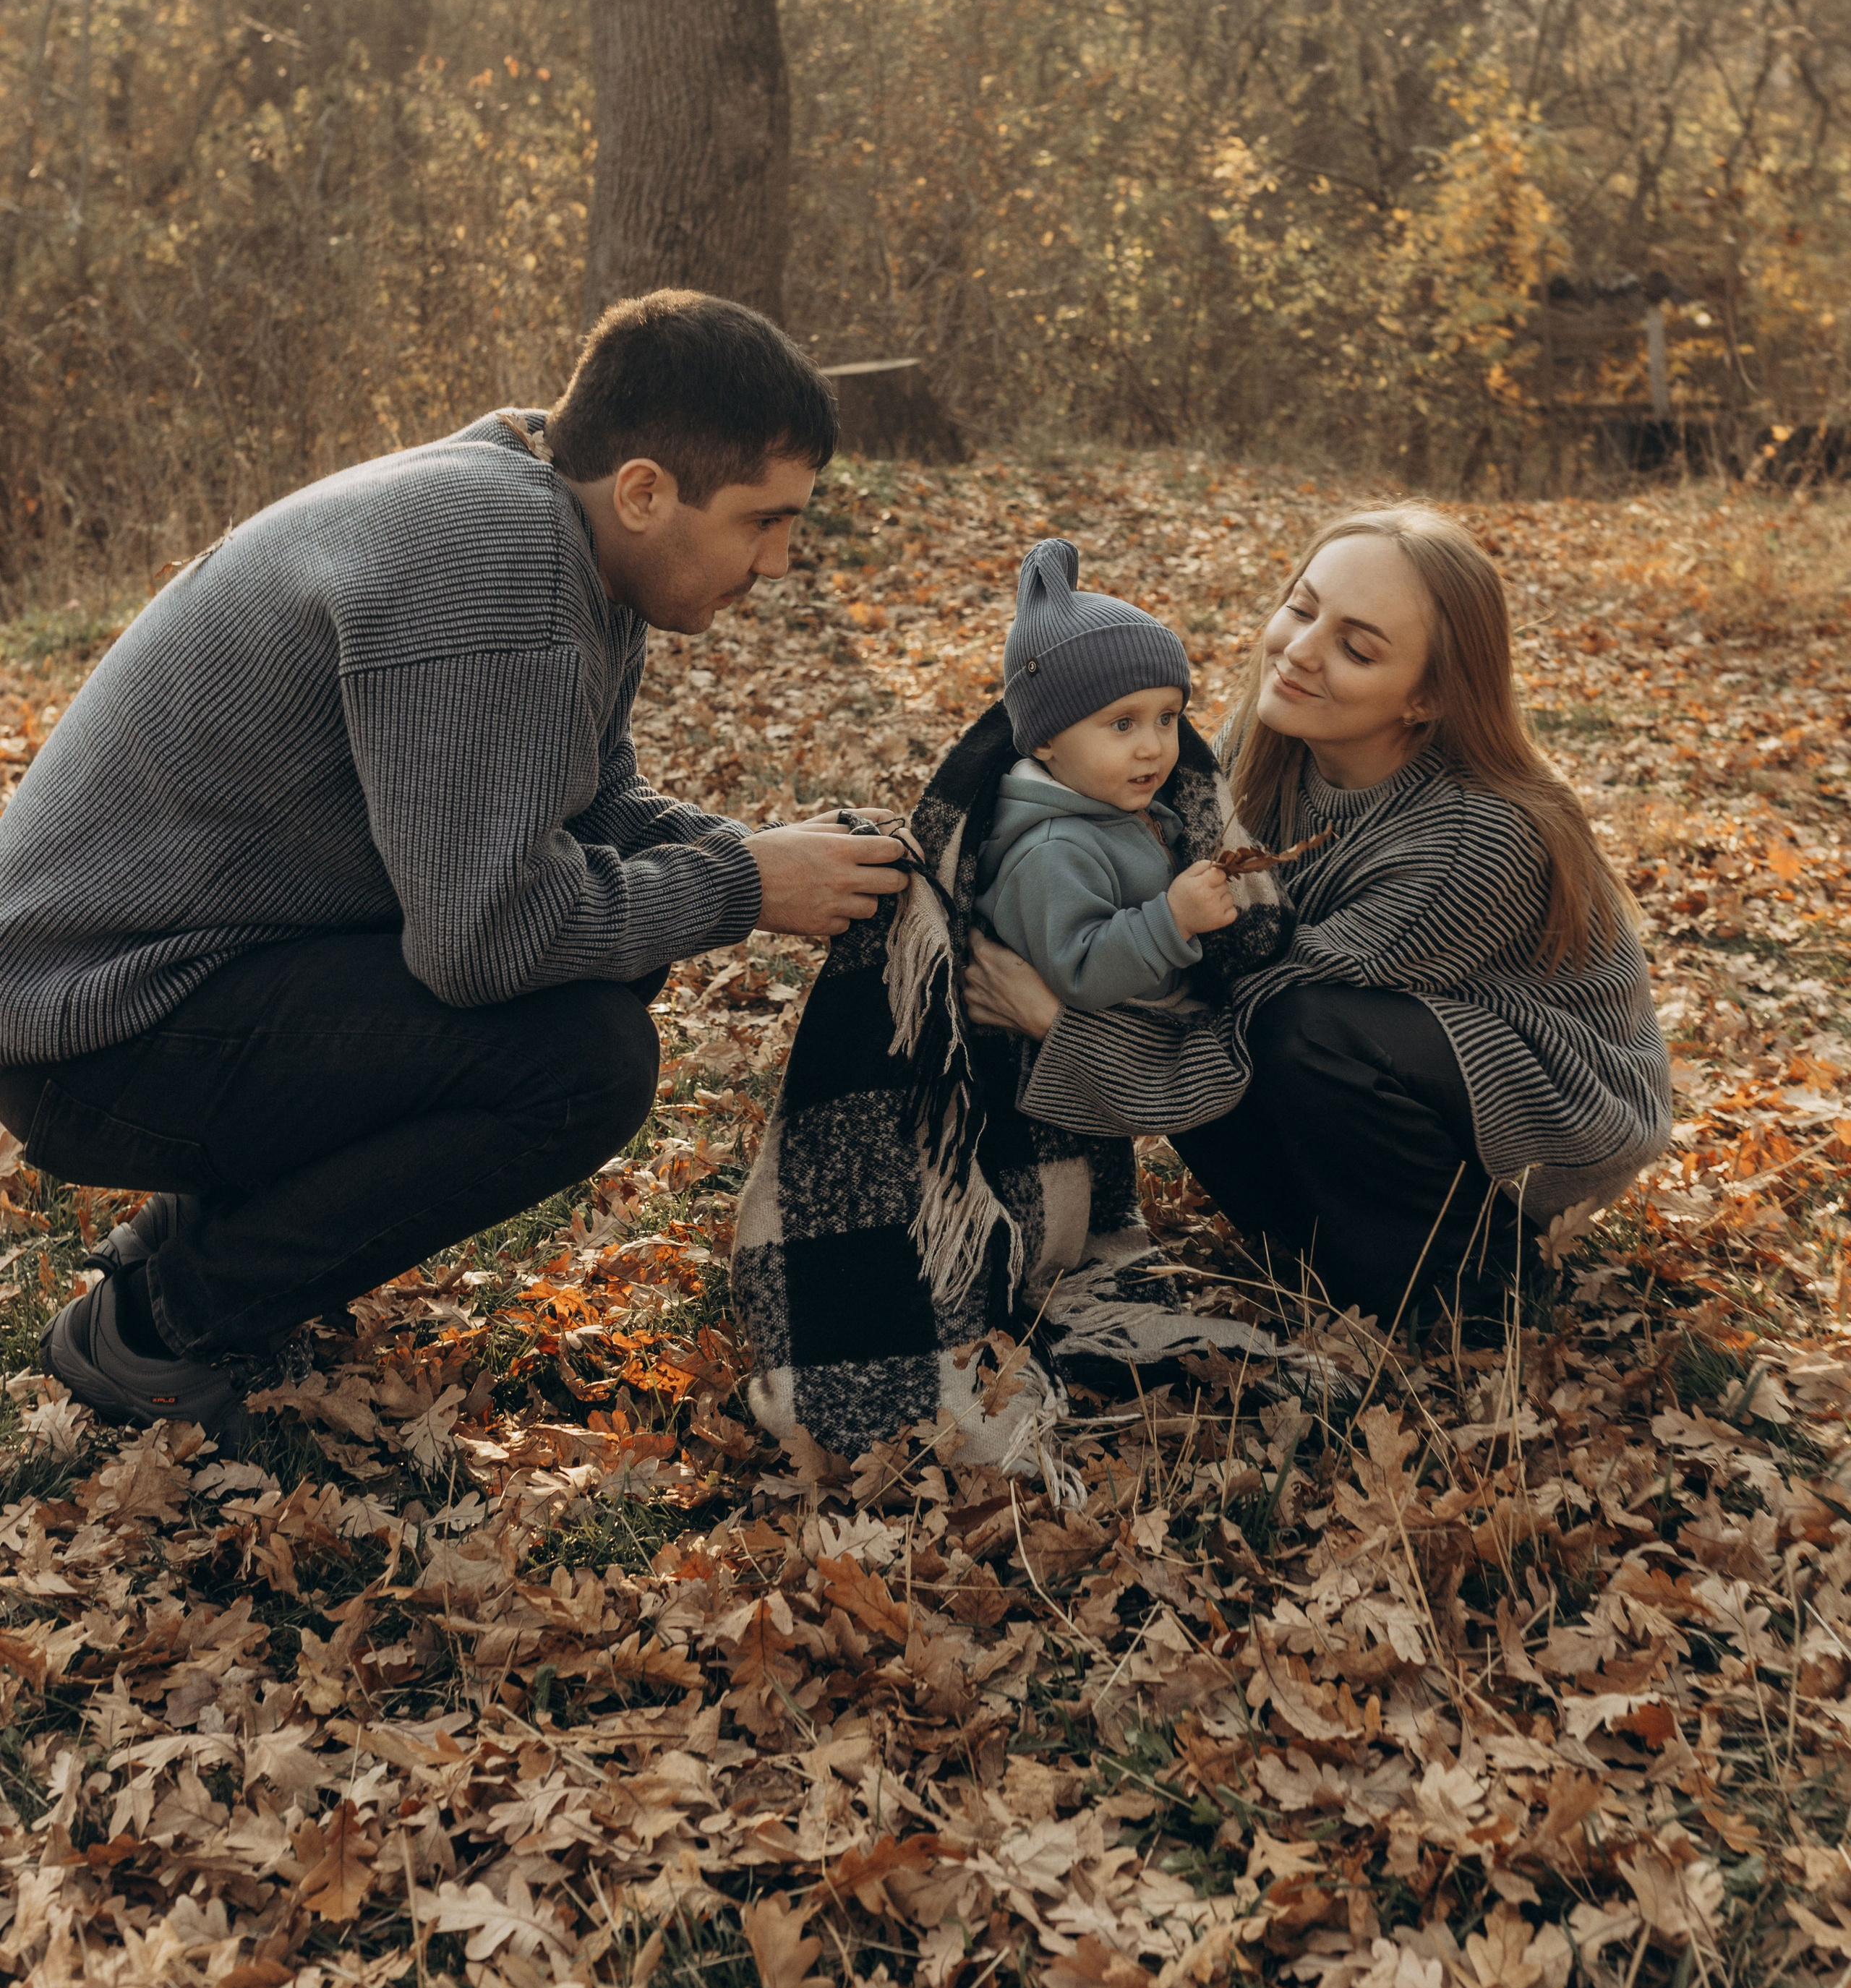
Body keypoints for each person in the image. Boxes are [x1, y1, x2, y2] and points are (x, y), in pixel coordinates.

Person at [0, 289, 906, 1432]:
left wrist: (767, 852)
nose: (776, 563)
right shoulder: (498, 565)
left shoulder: (562, 528)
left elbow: (588, 810)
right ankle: (160, 1322)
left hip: (170, 977)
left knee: (605, 968)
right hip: (90, 1027)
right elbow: (487, 940)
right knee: (586, 1062)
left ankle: (191, 1240)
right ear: (643, 490)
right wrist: (747, 885)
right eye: (761, 522)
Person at [965, 504, 1671, 1330]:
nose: (1299, 652)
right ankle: (1321, 1252)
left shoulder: (1473, 839)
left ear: (1428, 696)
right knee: (1200, 983)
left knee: (1292, 1028)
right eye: (1302, 609)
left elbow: (1250, 1013)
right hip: (1366, 1054)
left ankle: (1470, 1292)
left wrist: (1056, 1020)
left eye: (1356, 647)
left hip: (1543, 1114)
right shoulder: (1257, 755)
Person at [974, 541, 1252, 1010]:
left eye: (1167, 718)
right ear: (1046, 739)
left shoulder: (1117, 800)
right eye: (1123, 724)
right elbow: (1078, 975)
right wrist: (1174, 918)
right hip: (1082, 1060)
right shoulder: (1051, 852)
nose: (1154, 746)